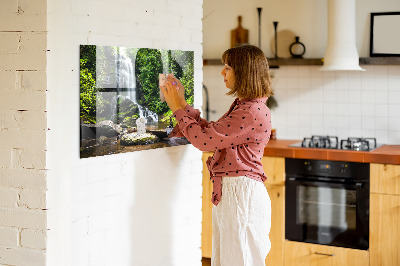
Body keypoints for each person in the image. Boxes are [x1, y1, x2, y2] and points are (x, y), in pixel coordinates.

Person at [161, 44, 273, 266]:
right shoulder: (246, 106)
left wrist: (176, 108)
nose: (222, 72)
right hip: (236, 193)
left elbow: (204, 141)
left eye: (228, 67)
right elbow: (211, 133)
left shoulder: (250, 111)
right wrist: (182, 103)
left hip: (241, 195)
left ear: (244, 71)